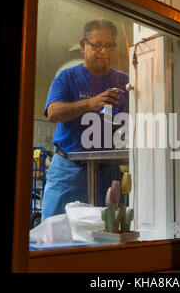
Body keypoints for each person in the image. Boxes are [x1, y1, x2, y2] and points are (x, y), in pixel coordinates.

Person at [42, 19, 129, 221]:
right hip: (69, 171)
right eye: (97, 45)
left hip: (107, 171)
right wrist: (91, 103)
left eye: (109, 45)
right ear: (83, 46)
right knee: (55, 230)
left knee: (107, 232)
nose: (104, 51)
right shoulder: (67, 77)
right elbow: (53, 112)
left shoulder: (123, 81)